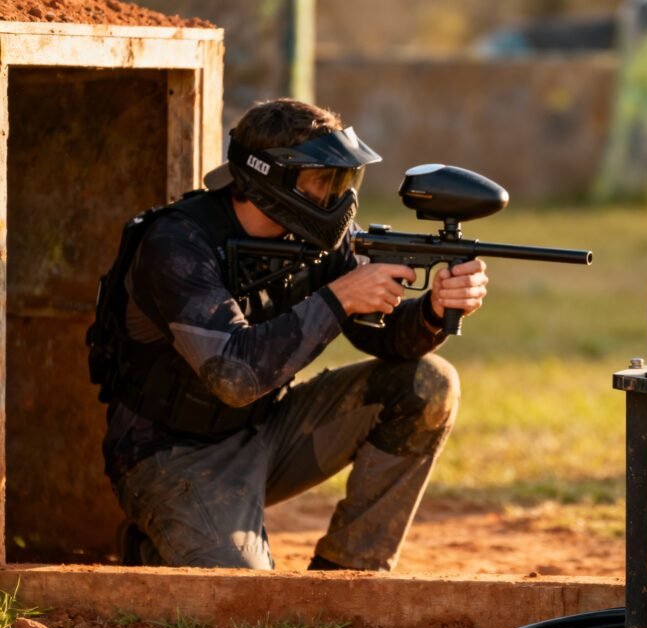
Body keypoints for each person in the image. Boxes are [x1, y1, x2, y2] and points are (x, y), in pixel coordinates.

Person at [97, 98, 489, 570]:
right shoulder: (177, 246)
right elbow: (234, 376)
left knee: (427, 384)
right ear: (271, 179)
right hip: (169, 456)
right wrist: (340, 296)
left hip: (269, 431)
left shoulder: (316, 234)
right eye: (322, 181)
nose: (336, 196)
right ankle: (150, 548)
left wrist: (431, 310)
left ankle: (347, 575)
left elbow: (381, 340)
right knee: (244, 603)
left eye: (342, 181)